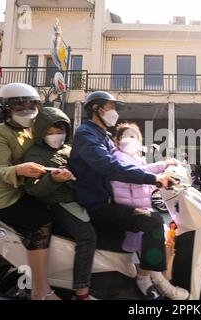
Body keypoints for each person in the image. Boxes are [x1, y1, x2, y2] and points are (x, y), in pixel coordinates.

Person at [69, 91, 176, 300]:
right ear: (96, 109)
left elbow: (127, 164)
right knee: (152, 222)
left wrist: (163, 166)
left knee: (151, 218)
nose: (114, 113)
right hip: (97, 205)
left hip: (109, 201)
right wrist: (153, 179)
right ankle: (144, 278)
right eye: (111, 107)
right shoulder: (86, 135)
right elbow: (111, 167)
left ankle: (140, 273)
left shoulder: (103, 136)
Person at [0, 83, 59, 300]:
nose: (27, 110)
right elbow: (0, 169)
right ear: (6, 108)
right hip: (9, 197)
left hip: (38, 191)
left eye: (32, 105)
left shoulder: (38, 128)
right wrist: (19, 169)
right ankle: (41, 289)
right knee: (41, 221)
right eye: (20, 106)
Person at [24, 107, 97, 301]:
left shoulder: (70, 149)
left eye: (60, 131)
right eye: (50, 132)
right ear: (41, 133)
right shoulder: (35, 154)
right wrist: (54, 180)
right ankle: (82, 292)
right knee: (87, 236)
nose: (56, 136)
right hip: (58, 202)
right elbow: (34, 189)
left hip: (79, 199)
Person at [110, 122, 189, 300]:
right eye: (127, 136)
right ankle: (152, 282)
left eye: (134, 136)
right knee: (154, 237)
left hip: (140, 208)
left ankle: (155, 280)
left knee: (162, 236)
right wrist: (162, 165)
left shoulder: (135, 158)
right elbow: (136, 174)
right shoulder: (119, 157)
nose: (131, 139)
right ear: (118, 140)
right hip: (129, 211)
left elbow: (142, 182)